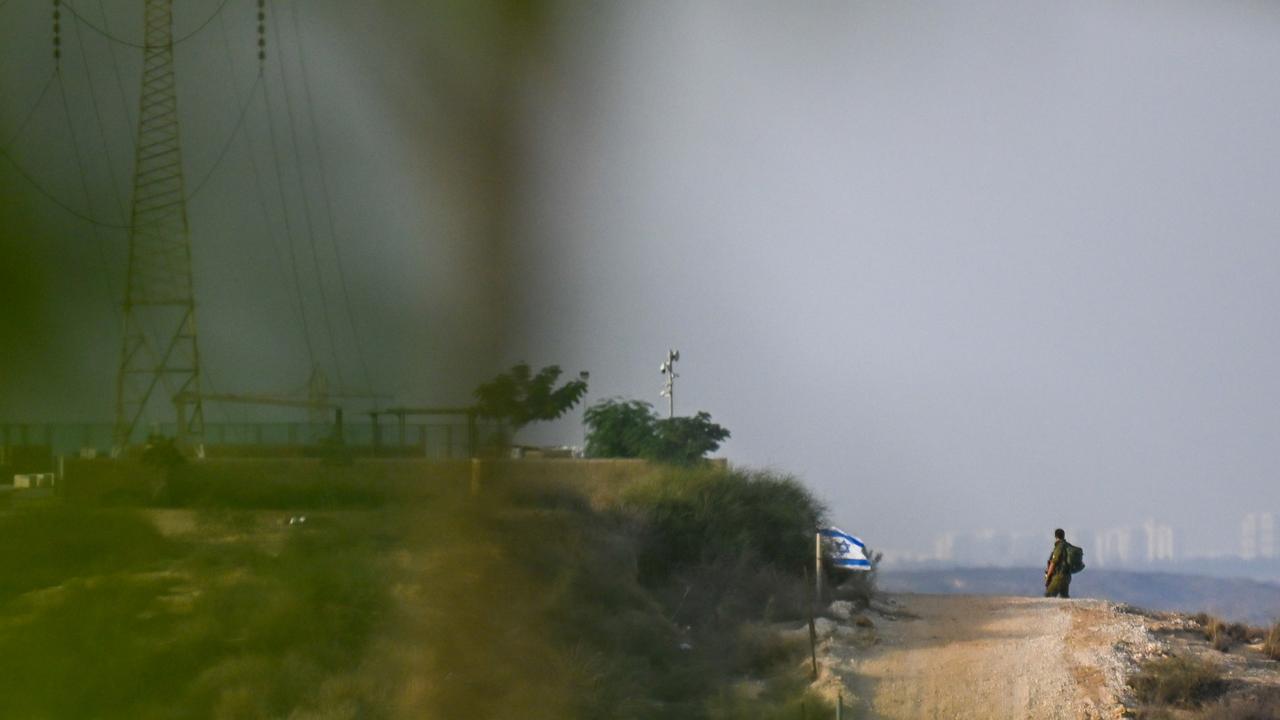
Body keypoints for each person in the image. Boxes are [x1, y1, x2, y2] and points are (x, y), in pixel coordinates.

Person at [1044, 528, 1071, 598]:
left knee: (1048, 596)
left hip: (1059, 577)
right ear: (1064, 536)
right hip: (1067, 577)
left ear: (1055, 536)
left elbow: (1053, 563)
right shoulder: (1067, 546)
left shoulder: (1059, 547)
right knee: (1064, 597)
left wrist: (1048, 577)